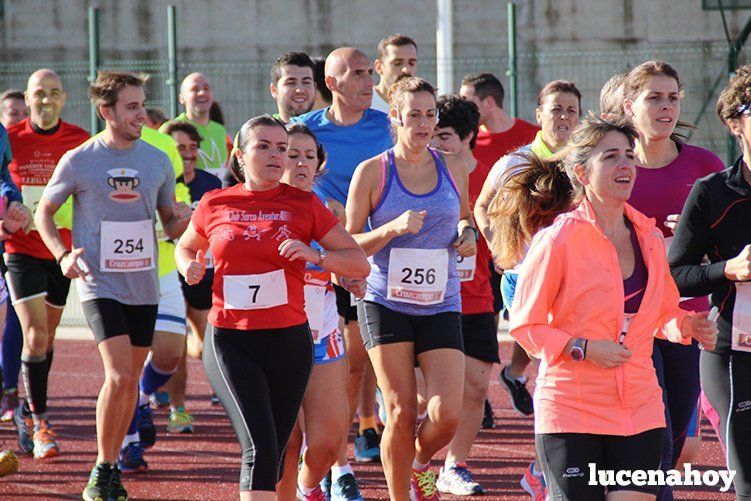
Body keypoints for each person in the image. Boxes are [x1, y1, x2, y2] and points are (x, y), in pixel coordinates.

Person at [506, 116, 717, 501]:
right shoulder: (557, 241)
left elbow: (661, 315)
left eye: (629, 156)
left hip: (639, 404)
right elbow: (526, 327)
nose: (626, 165)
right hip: (572, 406)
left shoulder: (650, 238)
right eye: (611, 157)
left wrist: (687, 326)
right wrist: (583, 348)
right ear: (582, 173)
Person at [175, 114, 369, 500]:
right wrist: (189, 266)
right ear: (240, 156)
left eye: (281, 148)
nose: (276, 155)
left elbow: (357, 262)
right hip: (232, 339)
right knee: (260, 447)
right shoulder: (216, 202)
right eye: (263, 146)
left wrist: (316, 255)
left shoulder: (305, 205)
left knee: (279, 451)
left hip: (289, 340)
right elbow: (184, 245)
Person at [35, 70, 184, 501]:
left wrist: (182, 219)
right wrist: (63, 255)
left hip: (144, 281)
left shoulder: (158, 159)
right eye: (132, 107)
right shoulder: (80, 159)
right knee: (118, 375)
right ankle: (102, 468)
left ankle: (112, 463)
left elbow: (168, 221)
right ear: (107, 112)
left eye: (142, 105)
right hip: (100, 282)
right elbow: (45, 212)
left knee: (131, 379)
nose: (141, 114)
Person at [346, 77, 477, 501]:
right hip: (386, 300)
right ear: (396, 117)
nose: (423, 123)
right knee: (401, 411)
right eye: (414, 115)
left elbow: (464, 218)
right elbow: (347, 246)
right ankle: (401, 495)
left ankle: (419, 464)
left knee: (447, 414)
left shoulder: (453, 165)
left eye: (430, 114)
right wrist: (391, 228)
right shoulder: (372, 172)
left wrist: (466, 233)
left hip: (441, 300)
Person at [620, 61, 724, 500]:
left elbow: (732, 239)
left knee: (680, 432)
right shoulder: (614, 163)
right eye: (654, 98)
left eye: (673, 97)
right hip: (628, 319)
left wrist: (698, 235)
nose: (666, 107)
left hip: (688, 319)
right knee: (652, 429)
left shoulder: (705, 165)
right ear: (630, 106)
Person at [294, 46, 393, 491]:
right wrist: (326, 211)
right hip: (321, 265)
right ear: (331, 84)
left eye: (370, 72)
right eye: (356, 74)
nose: (367, 81)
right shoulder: (306, 133)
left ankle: (365, 432)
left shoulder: (386, 126)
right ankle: (339, 466)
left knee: (365, 361)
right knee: (335, 364)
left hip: (378, 257)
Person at [474, 81, 581, 457]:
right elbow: (482, 205)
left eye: (571, 109)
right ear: (539, 115)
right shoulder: (515, 162)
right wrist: (499, 249)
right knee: (555, 362)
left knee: (561, 364)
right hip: (525, 277)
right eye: (556, 109)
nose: (564, 116)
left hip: (576, 279)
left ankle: (559, 449)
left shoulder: (587, 163)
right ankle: (551, 458)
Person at [669, 64, 751, 500]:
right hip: (735, 352)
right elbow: (675, 274)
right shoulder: (712, 192)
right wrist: (728, 270)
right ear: (737, 123)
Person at [5, 69, 90, 460]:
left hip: (61, 251)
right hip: (20, 249)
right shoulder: (10, 138)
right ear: (28, 97)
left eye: (54, 93)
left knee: (47, 339)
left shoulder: (79, 141)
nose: (46, 100)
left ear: (64, 98)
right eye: (39, 93)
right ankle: (40, 422)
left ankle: (27, 405)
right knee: (36, 336)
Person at [273, 123, 352, 501]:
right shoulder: (254, 207)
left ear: (320, 164)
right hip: (273, 333)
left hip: (321, 331)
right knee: (287, 442)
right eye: (292, 155)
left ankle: (309, 487)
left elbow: (354, 261)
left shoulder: (328, 209)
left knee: (328, 440)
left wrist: (341, 272)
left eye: (309, 156)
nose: (301, 163)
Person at [429, 94, 494, 496]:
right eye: (432, 135)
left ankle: (455, 464)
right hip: (425, 297)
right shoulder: (419, 174)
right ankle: (414, 458)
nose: (436, 144)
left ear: (469, 137)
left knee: (475, 389)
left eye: (446, 136)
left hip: (477, 297)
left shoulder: (489, 176)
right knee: (433, 395)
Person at [162, 72, 229, 176]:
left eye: (206, 88)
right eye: (194, 89)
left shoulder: (219, 129)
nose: (202, 93)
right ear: (181, 98)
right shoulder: (170, 129)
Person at [372, 34, 418, 113]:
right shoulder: (365, 104)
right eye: (397, 63)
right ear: (379, 67)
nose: (405, 70)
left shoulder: (423, 105)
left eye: (411, 63)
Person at [270, 52, 316, 123]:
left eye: (306, 82)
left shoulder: (328, 131)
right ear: (274, 90)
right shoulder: (263, 132)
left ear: (315, 88)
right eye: (291, 83)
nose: (300, 90)